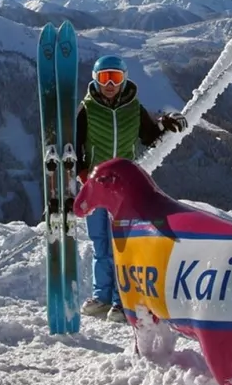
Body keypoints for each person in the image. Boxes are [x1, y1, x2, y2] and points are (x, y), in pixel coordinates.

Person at [76, 55, 187, 321]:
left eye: (115, 77)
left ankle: (121, 302)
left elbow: (149, 136)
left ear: (124, 79)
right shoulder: (87, 110)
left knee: (121, 245)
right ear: (95, 79)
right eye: (104, 78)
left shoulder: (133, 108)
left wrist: (165, 122)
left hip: (124, 189)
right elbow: (77, 146)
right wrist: (82, 177)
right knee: (100, 243)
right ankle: (102, 297)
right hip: (96, 186)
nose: (110, 84)